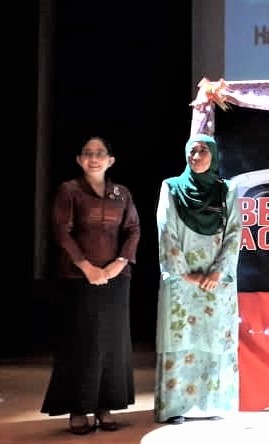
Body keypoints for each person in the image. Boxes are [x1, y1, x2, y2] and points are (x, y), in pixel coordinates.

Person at [41, 136, 140, 435]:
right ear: (79, 160)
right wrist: (86, 267)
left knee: (112, 344)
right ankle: (77, 408)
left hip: (116, 279)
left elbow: (133, 229)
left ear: (111, 160)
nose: (93, 158)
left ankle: (105, 406)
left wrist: (119, 263)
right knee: (81, 343)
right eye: (87, 153)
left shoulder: (121, 193)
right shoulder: (69, 190)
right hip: (78, 278)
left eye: (100, 153)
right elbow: (62, 232)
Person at [154, 133, 242, 424]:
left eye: (203, 151)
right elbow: (166, 230)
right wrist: (183, 272)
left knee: (215, 336)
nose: (196, 156)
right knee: (180, 335)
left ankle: (213, 404)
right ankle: (176, 407)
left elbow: (234, 233)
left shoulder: (227, 190)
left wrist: (219, 271)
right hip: (181, 281)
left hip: (217, 280)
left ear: (213, 155)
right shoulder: (171, 187)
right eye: (191, 151)